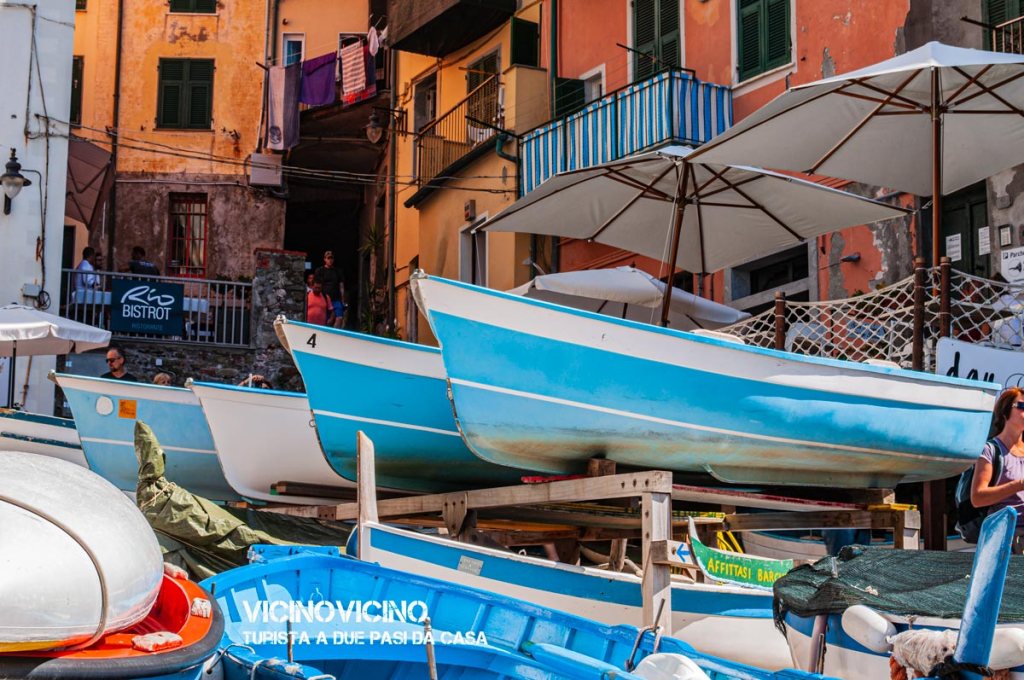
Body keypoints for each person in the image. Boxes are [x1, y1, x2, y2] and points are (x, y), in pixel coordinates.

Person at [970, 386, 1024, 551]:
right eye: (1021, 406)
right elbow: (977, 498)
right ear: (1005, 412)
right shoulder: (990, 450)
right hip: (1004, 539)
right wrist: (1019, 484)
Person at [314, 251, 344, 328]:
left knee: (339, 318)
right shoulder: (320, 270)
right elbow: (316, 285)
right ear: (325, 259)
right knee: (327, 320)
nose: (330, 260)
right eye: (328, 258)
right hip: (324, 299)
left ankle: (335, 334)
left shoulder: (337, 271)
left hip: (336, 299)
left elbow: (341, 286)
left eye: (331, 258)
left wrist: (343, 299)